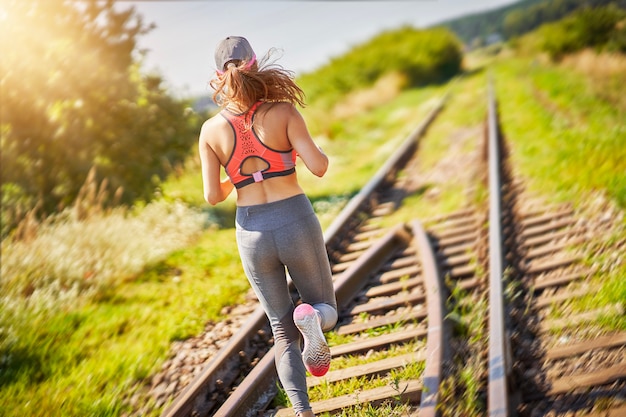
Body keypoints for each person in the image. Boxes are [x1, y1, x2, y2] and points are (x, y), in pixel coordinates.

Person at [198, 36, 338, 417]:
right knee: (324, 306)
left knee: (281, 331)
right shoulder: (284, 112)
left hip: (252, 232)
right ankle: (313, 319)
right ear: (255, 65)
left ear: (217, 76)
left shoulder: (210, 130)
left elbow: (213, 195)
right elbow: (319, 167)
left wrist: (241, 175)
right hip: (294, 218)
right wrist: (297, 153)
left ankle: (301, 410)